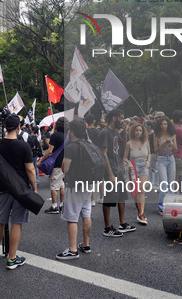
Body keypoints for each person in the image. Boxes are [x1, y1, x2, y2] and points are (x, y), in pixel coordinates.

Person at [0, 114, 37, 270]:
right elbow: (30, 169)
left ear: (4, 127)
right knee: (17, 221)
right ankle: (12, 258)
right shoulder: (24, 146)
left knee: (0, 220)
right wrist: (34, 188)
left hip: (3, 187)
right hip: (20, 188)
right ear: (18, 127)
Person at [56, 118, 93, 260]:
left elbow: (65, 168)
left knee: (72, 218)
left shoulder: (72, 146)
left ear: (72, 131)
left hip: (75, 185)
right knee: (86, 215)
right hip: (87, 184)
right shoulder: (88, 143)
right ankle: (86, 244)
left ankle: (72, 249)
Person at [99, 109, 136, 237]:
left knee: (121, 196)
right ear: (114, 118)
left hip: (117, 168)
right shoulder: (105, 132)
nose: (123, 120)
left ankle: (122, 223)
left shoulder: (115, 131)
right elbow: (103, 153)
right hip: (110, 170)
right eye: (121, 118)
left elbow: (122, 145)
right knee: (109, 198)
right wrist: (110, 174)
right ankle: (107, 227)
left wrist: (125, 132)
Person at [123, 123, 151, 225]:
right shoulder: (129, 144)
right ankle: (139, 210)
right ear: (133, 131)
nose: (138, 132)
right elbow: (125, 157)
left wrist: (148, 161)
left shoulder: (146, 141)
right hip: (133, 165)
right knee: (135, 191)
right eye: (136, 130)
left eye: (140, 130)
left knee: (142, 190)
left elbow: (149, 154)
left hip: (144, 165)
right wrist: (129, 163)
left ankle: (141, 213)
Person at [38, 118, 66, 214]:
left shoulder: (55, 136)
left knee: (54, 184)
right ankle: (62, 204)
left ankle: (54, 206)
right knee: (61, 184)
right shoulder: (68, 136)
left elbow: (49, 150)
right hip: (65, 162)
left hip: (56, 163)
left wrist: (41, 160)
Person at [154, 116, 176, 215]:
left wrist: (172, 144)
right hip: (161, 159)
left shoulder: (172, 134)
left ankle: (170, 204)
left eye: (165, 124)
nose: (163, 126)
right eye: (162, 124)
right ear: (159, 125)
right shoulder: (156, 135)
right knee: (164, 183)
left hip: (171, 158)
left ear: (168, 125)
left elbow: (176, 150)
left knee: (171, 183)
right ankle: (161, 206)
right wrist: (162, 144)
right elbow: (155, 150)